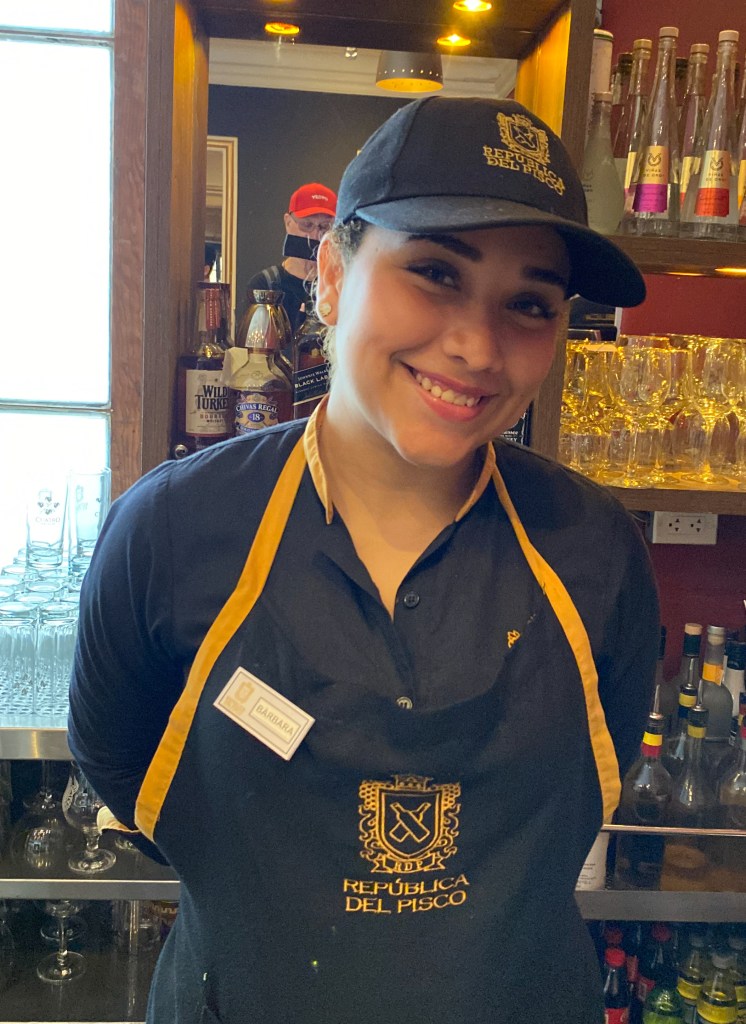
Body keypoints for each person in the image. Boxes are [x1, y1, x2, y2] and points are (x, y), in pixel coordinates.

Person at [68, 97, 659, 1024]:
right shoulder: (171, 531)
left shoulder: (593, 548)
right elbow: (120, 768)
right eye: (434, 272)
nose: (477, 346)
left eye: (529, 303)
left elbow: (598, 781)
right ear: (334, 274)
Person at [245, 181, 337, 334]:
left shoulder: (342, 285)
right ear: (288, 223)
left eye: (325, 226)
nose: (315, 235)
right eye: (307, 225)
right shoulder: (264, 284)